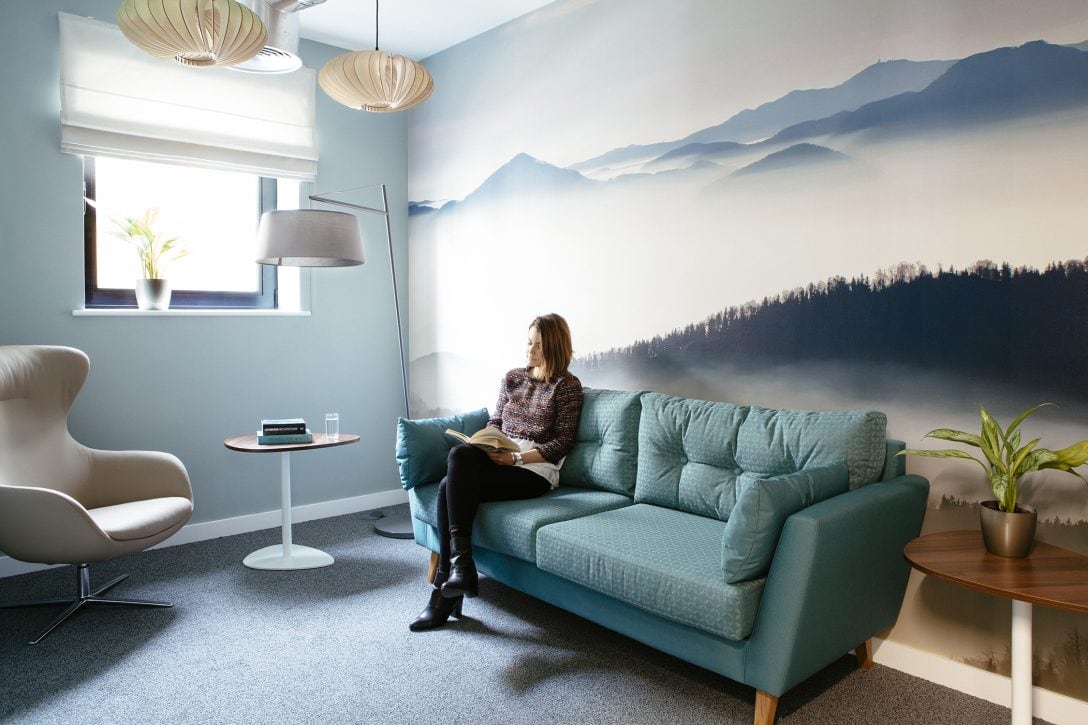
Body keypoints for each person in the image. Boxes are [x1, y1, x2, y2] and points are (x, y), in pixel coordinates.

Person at [409, 313, 584, 631]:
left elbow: (562, 442)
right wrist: (490, 445)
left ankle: (445, 591)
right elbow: (496, 422)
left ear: (555, 347)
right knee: (461, 454)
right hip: (499, 454)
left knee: (449, 486)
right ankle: (461, 568)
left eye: (539, 345)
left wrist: (516, 459)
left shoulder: (567, 386)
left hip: (534, 469)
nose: (529, 351)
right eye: (529, 342)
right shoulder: (513, 378)